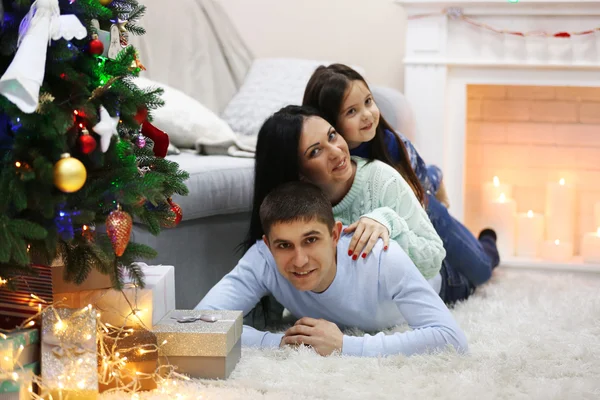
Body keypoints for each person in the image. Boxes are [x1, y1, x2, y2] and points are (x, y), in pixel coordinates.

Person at [197, 181, 468, 357]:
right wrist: (277, 342)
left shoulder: (381, 257)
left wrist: (345, 346)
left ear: (336, 235)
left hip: (444, 278)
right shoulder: (262, 259)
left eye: (311, 240)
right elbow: (201, 324)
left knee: (483, 261)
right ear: (268, 245)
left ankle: (433, 184)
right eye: (284, 245)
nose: (300, 260)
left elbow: (452, 339)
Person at [303, 63, 500, 301]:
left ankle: (488, 242)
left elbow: (423, 177)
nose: (367, 115)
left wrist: (437, 183)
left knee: (481, 269)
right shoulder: (328, 162)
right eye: (351, 112)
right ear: (329, 121)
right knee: (450, 268)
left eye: (368, 102)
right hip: (395, 229)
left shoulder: (391, 143)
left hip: (429, 215)